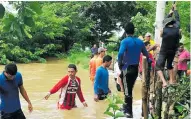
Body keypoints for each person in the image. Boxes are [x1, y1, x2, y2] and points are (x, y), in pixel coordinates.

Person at [118, 22, 150, 118]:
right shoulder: (140, 42)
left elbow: (120, 54)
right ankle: (125, 106)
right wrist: (149, 63)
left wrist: (120, 64)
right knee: (129, 88)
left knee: (127, 90)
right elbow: (146, 54)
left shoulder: (125, 41)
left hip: (127, 68)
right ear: (133, 30)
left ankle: (129, 112)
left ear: (126, 31)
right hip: (136, 68)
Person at [156, 17, 182, 88]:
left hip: (164, 50)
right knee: (169, 65)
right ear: (173, 23)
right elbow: (179, 37)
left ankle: (164, 82)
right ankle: (171, 81)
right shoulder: (178, 30)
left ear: (166, 23)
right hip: (172, 51)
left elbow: (161, 36)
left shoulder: (163, 30)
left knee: (158, 67)